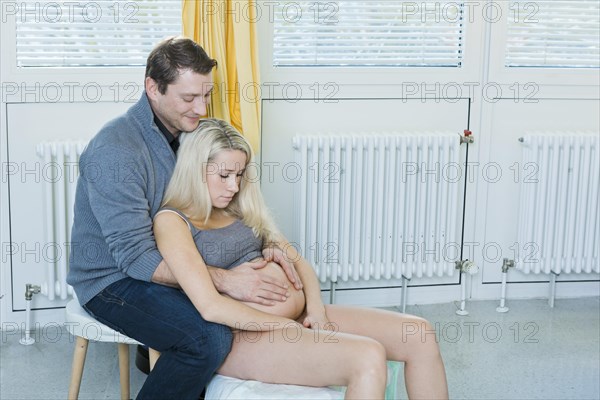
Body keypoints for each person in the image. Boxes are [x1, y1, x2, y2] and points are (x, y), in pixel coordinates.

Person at [67, 37, 301, 399]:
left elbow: (230, 204)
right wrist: (226, 281)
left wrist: (268, 246)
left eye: (206, 95)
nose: (201, 107)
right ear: (152, 88)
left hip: (172, 261)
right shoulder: (115, 150)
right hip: (112, 281)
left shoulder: (191, 137)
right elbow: (136, 259)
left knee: (233, 315)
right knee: (206, 339)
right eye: (189, 98)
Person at [154, 118, 449, 399]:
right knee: (367, 357)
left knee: (419, 333)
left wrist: (317, 310)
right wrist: (284, 326)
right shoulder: (174, 221)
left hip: (299, 315)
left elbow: (300, 263)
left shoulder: (240, 207)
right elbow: (210, 307)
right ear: (194, 170)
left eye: (239, 175)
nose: (234, 186)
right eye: (223, 176)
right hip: (241, 336)